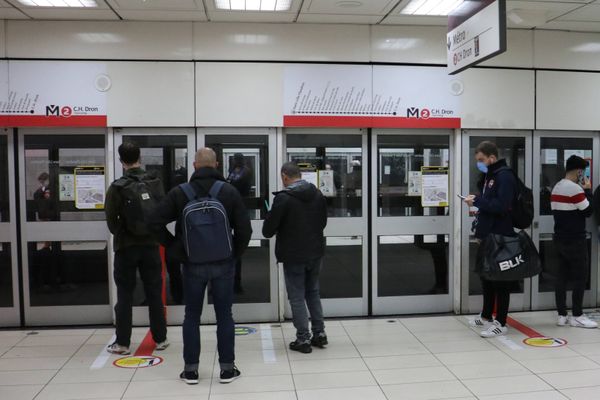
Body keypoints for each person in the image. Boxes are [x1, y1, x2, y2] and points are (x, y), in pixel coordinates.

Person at [150, 148, 251, 385]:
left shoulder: (180, 193)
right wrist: (233, 254)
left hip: (192, 263)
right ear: (216, 165)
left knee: (192, 316)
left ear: (195, 165)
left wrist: (176, 247)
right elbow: (245, 230)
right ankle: (227, 369)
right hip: (223, 264)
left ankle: (191, 371)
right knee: (225, 315)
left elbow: (153, 221)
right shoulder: (228, 191)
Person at [105, 142, 169, 355]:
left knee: (124, 294)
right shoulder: (155, 182)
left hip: (126, 247)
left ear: (121, 160)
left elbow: (111, 220)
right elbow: (162, 212)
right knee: (154, 292)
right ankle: (160, 339)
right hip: (151, 246)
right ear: (139, 156)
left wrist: (124, 232)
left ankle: (122, 343)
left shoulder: (117, 187)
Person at [263, 162, 328, 353]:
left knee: (297, 296)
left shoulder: (283, 199)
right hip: (316, 252)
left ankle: (303, 339)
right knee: (313, 292)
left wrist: (270, 216)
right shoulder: (317, 194)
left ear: (284, 176)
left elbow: (268, 231)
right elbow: (323, 222)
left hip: (293, 255)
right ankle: (319, 333)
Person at [463, 141, 518, 338]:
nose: (479, 163)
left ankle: (501, 322)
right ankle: (486, 315)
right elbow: (489, 204)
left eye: (481, 160)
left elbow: (501, 206)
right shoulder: (490, 176)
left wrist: (477, 200)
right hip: (488, 235)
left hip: (500, 236)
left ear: (492, 158)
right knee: (486, 276)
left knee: (500, 281)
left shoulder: (504, 176)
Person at [551, 155, 597, 328]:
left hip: (559, 238)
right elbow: (588, 211)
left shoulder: (557, 186)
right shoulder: (574, 189)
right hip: (575, 239)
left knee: (561, 276)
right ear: (578, 171)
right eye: (582, 171)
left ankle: (562, 315)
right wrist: (588, 191)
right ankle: (577, 314)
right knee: (580, 276)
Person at [227, 153, 253, 294]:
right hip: (232, 208)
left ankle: (237, 283)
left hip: (240, 207)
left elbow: (236, 184)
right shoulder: (233, 171)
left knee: (236, 251)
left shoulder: (245, 172)